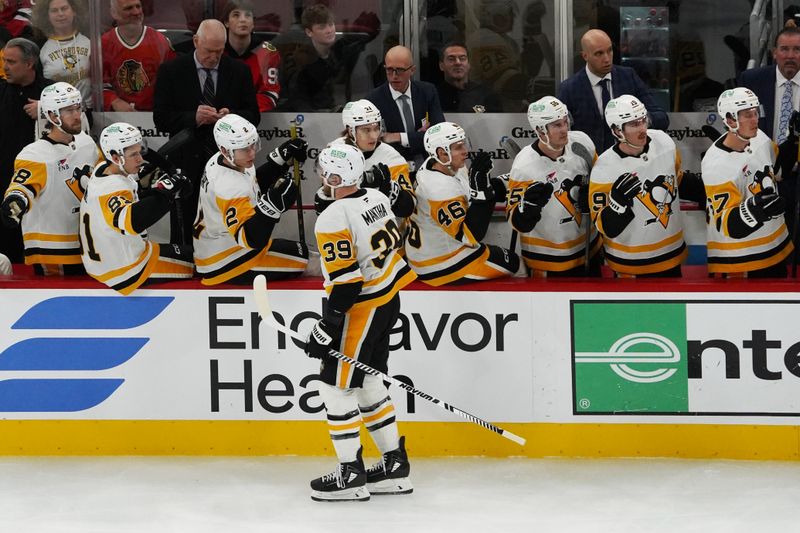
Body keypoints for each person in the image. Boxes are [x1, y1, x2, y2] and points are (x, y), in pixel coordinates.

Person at [305, 143, 416, 502]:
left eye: (325, 171)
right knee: (368, 379)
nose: (321, 176)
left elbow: (347, 282)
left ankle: (350, 474)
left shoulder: (332, 218)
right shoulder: (376, 196)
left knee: (334, 387)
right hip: (388, 300)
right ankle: (394, 466)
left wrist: (328, 324)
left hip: (362, 309)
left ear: (334, 176)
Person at [153, 18, 259, 242]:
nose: (214, 57)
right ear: (195, 41)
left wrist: (232, 117)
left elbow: (253, 115)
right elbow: (161, 119)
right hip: (185, 161)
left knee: (225, 221)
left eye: (219, 51)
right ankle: (184, 257)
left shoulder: (239, 70)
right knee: (184, 221)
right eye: (209, 51)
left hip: (227, 162)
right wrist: (193, 117)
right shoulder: (171, 70)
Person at [193, 114, 309, 285]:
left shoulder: (224, 159)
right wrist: (272, 207)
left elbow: (250, 185)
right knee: (305, 258)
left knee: (297, 249)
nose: (252, 153)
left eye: (253, 144)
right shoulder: (228, 186)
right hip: (225, 260)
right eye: (245, 149)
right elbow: (250, 239)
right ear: (225, 149)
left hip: (215, 246)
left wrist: (280, 160)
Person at [79, 122, 193, 294]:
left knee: (187, 251)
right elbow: (133, 222)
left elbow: (129, 194)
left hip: (105, 260)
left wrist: (153, 184)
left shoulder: (103, 169)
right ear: (116, 158)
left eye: (139, 152)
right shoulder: (111, 189)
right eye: (133, 155)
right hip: (125, 270)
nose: (140, 159)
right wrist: (167, 191)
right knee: (197, 260)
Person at [0, 82, 100, 275]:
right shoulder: (35, 154)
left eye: (78, 108)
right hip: (53, 251)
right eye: (69, 110)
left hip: (87, 247)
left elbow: (105, 172)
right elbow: (22, 187)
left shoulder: (86, 143)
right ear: (53, 116)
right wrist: (15, 203)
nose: (77, 115)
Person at [405, 121, 520, 285]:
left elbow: (472, 192)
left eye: (464, 144)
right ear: (442, 153)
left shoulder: (439, 166)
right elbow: (471, 235)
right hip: (441, 263)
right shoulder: (438, 188)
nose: (465, 151)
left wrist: (514, 180)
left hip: (431, 251)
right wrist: (483, 190)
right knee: (514, 262)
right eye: (458, 147)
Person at [589, 95, 686, 278]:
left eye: (643, 120)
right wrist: (617, 206)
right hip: (629, 266)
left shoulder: (664, 142)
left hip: (671, 257)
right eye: (634, 124)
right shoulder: (604, 168)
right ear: (617, 130)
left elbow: (677, 181)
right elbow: (604, 227)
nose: (642, 128)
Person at [702, 88, 793, 278]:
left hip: (775, 250)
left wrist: (794, 139)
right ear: (730, 120)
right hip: (741, 260)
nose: (755, 119)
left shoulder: (759, 138)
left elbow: (778, 170)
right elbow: (726, 224)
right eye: (747, 115)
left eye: (755, 112)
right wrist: (757, 209)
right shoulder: (715, 164)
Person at [506, 96, 601, 277]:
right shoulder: (523, 167)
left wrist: (591, 194)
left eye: (565, 122)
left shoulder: (582, 143)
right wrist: (526, 211)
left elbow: (600, 181)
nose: (565, 129)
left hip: (589, 250)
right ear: (540, 130)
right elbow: (516, 222)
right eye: (557, 125)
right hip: (546, 260)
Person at [558, 29, 669, 153]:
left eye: (609, 50)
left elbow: (662, 118)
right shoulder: (570, 88)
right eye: (599, 53)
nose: (607, 59)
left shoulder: (628, 77)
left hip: (630, 158)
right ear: (585, 56)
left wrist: (640, 121)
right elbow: (561, 132)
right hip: (591, 161)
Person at [739, 27, 800, 237]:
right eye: (784, 49)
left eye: (797, 49)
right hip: (763, 175)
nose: (790, 55)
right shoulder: (752, 81)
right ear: (774, 52)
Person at [314, 99, 415, 222]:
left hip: (381, 226)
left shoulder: (392, 158)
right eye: (366, 130)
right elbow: (322, 205)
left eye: (376, 128)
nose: (374, 136)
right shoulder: (334, 150)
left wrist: (388, 187)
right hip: (348, 225)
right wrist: (361, 183)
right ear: (351, 130)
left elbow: (408, 207)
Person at [0, 37, 53, 263]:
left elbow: (80, 118)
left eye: (11, 62)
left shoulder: (51, 91)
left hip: (44, 184)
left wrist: (45, 109)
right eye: (4, 61)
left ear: (30, 63)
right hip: (5, 180)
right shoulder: (1, 90)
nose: (5, 67)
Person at [281, 3, 377, 112]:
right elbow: (298, 100)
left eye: (331, 25)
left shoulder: (341, 49)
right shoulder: (301, 61)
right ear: (309, 32)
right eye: (322, 27)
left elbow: (362, 38)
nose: (329, 30)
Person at [366, 45, 445, 170]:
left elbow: (439, 134)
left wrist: (398, 137)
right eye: (389, 70)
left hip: (427, 164)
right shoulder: (373, 100)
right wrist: (419, 136)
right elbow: (377, 142)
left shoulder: (427, 91)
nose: (394, 76)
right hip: (392, 166)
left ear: (412, 70)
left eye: (400, 70)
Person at [101, 0, 175, 111]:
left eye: (138, 6)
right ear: (114, 13)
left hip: (153, 115)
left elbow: (173, 81)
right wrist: (114, 101)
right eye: (128, 8)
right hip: (116, 117)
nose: (136, 12)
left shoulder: (161, 42)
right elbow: (98, 85)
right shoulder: (104, 44)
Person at [220, 0, 281, 112]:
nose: (243, 20)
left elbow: (269, 95)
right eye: (236, 15)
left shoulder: (267, 53)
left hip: (254, 117)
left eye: (248, 15)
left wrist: (239, 112)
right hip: (218, 116)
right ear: (226, 22)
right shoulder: (216, 50)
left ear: (253, 23)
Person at [33, 0, 92, 108]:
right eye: (54, 10)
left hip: (90, 110)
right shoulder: (40, 47)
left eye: (64, 8)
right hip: (57, 111)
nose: (60, 14)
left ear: (74, 11)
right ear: (47, 16)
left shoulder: (90, 40)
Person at [435, 42, 502, 113]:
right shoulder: (433, 95)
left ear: (469, 64)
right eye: (451, 59)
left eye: (462, 58)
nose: (458, 63)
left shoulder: (486, 95)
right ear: (441, 65)